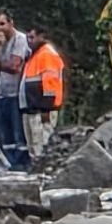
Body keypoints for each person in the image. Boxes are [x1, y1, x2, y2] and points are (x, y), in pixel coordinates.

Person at [0, 9, 31, 170]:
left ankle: (22, 163)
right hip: (2, 92)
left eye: (2, 24)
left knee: (18, 131)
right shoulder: (0, 42)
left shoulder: (20, 40)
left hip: (17, 92)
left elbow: (14, 66)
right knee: (6, 133)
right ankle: (9, 162)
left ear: (11, 23)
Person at [19, 26, 67, 161]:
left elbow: (51, 83)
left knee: (41, 144)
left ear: (42, 37)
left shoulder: (46, 54)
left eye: (32, 38)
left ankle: (43, 171)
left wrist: (46, 108)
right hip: (32, 109)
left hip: (42, 111)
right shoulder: (35, 55)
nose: (29, 41)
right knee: (34, 146)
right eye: (28, 38)